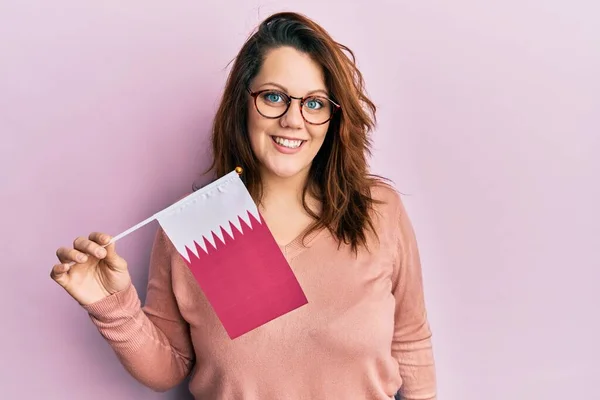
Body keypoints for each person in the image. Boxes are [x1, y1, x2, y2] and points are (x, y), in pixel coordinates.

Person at [50, 11, 437, 400]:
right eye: (273, 96)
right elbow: (168, 369)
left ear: (333, 117)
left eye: (314, 103)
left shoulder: (378, 212)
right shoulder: (201, 223)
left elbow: (411, 343)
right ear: (243, 103)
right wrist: (110, 304)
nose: (292, 119)